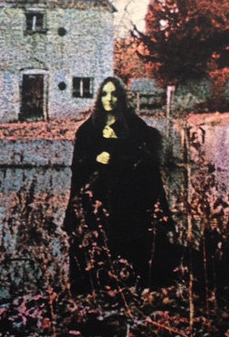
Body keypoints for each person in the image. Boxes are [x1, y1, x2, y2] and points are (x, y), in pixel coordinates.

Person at [63, 76, 178, 294]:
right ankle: (93, 291)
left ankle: (131, 290)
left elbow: (146, 166)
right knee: (97, 245)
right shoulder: (88, 130)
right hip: (98, 200)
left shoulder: (135, 127)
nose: (109, 99)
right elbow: (78, 167)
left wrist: (117, 153)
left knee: (128, 245)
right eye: (105, 94)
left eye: (114, 94)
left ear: (121, 98)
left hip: (127, 202)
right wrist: (95, 160)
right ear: (99, 98)